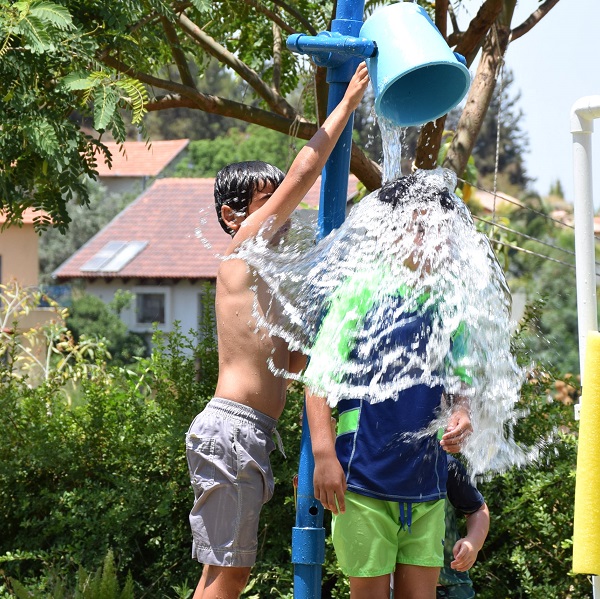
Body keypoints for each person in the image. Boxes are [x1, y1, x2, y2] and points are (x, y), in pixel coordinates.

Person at [185, 62, 370, 599]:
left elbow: (291, 362)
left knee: (219, 573)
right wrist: (347, 106)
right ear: (233, 213)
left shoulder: (269, 279)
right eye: (268, 201)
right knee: (233, 575)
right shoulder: (242, 247)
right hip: (233, 430)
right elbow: (303, 173)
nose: (283, 209)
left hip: (248, 434)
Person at [305, 175, 474, 599]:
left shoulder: (450, 300)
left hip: (427, 483)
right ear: (393, 232)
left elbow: (461, 383)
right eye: (419, 228)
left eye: (438, 230)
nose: (430, 240)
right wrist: (324, 457)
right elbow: (318, 380)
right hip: (362, 480)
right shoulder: (362, 291)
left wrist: (462, 413)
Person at [437, 456, 489, 599]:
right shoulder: (378, 469)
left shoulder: (445, 466)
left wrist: (473, 542)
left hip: (451, 586)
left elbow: (477, 509)